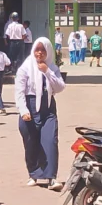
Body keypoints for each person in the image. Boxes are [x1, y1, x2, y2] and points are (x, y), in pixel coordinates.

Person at [15, 37, 66, 191]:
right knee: (31, 142)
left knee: (50, 141)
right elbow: (19, 91)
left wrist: (47, 72)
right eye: (37, 49)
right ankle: (34, 174)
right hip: (29, 108)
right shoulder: (25, 68)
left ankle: (51, 177)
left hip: (48, 108)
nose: (40, 53)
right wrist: (23, 110)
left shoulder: (52, 67)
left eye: (43, 50)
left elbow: (60, 87)